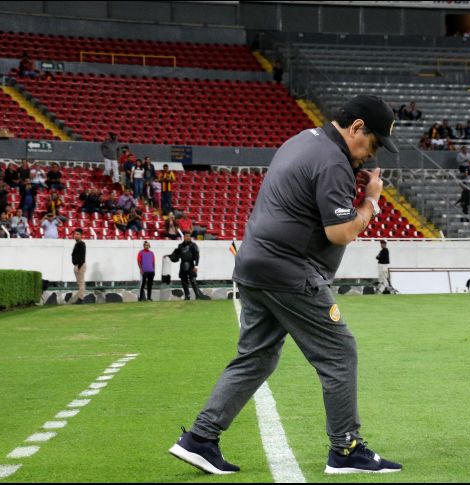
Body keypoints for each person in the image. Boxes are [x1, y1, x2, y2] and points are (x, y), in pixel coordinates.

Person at [169, 94, 402, 475]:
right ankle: (346, 449)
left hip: (255, 263)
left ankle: (200, 438)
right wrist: (372, 202)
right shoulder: (333, 160)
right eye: (373, 144)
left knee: (257, 356)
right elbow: (341, 231)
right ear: (357, 128)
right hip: (290, 269)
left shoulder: (303, 140)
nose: (371, 155)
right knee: (339, 354)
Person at [70, 228, 86, 304]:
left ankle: (81, 298)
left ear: (81, 236)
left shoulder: (81, 244)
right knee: (80, 282)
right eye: (75, 234)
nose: (75, 235)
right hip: (78, 265)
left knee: (81, 282)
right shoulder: (77, 244)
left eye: (78, 234)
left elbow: (82, 257)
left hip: (80, 265)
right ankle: (80, 298)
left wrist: (79, 266)